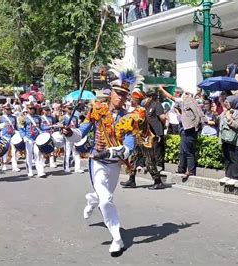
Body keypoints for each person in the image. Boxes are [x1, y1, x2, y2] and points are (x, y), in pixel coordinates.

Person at [61, 58, 139, 256]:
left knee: (104, 197)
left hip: (113, 165)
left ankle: (91, 199)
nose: (121, 98)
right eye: (118, 93)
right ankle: (117, 238)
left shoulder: (130, 118)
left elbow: (129, 148)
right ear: (111, 93)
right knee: (106, 200)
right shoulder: (97, 110)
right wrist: (70, 133)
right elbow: (82, 131)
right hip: (97, 162)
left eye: (125, 95)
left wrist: (114, 151)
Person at [120, 88, 166, 190]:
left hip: (145, 140)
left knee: (149, 161)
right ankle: (131, 180)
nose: (131, 100)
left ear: (136, 100)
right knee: (133, 159)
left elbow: (137, 120)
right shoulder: (137, 110)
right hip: (138, 138)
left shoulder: (141, 110)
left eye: (133, 99)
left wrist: (128, 117)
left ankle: (158, 181)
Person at [159, 85, 204, 178]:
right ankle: (181, 169)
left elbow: (171, 97)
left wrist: (162, 89)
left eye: (187, 94)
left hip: (189, 130)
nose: (185, 95)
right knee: (183, 151)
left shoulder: (189, 103)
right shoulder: (186, 105)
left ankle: (190, 171)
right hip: (185, 130)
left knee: (188, 151)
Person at [219, 95, 238, 185]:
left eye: (228, 102)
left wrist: (229, 118)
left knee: (234, 157)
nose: (226, 103)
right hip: (225, 139)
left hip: (235, 140)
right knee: (227, 157)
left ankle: (236, 177)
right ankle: (228, 175)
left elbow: (237, 125)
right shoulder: (225, 112)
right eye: (225, 102)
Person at [22, 96, 46, 178]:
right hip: (28, 139)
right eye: (30, 108)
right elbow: (21, 129)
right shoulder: (24, 118)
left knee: (37, 154)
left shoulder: (38, 118)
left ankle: (40, 171)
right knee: (29, 155)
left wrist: (44, 133)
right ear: (27, 109)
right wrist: (24, 136)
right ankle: (30, 170)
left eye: (32, 108)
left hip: (36, 139)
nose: (31, 110)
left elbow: (41, 128)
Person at [144, 88, 166, 171]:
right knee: (151, 150)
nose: (146, 98)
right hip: (150, 132)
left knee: (158, 150)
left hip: (157, 131)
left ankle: (159, 166)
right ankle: (152, 166)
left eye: (148, 96)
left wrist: (162, 127)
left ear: (151, 97)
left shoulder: (157, 105)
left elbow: (162, 117)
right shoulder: (148, 106)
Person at [0, 98, 21, 172]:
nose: (8, 110)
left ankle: (15, 166)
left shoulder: (14, 117)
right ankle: (4, 165)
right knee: (5, 151)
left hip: (13, 135)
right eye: (7, 109)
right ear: (4, 109)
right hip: (5, 135)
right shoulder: (1, 118)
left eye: (9, 109)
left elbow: (16, 127)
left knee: (14, 151)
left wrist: (18, 133)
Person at [62, 103, 83, 173]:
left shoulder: (75, 117)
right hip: (67, 136)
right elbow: (61, 126)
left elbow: (77, 127)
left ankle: (77, 168)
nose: (71, 110)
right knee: (67, 152)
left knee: (76, 152)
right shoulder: (63, 117)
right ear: (66, 109)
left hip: (74, 135)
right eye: (69, 108)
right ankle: (66, 167)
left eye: (72, 108)